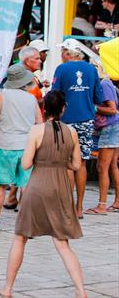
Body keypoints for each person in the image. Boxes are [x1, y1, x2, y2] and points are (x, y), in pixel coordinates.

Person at [0, 91, 85, 298]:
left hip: (37, 185)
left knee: (20, 237)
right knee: (62, 242)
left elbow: (26, 163)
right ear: (64, 109)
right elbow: (76, 164)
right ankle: (81, 290)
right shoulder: (71, 132)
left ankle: (7, 288)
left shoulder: (36, 131)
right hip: (61, 186)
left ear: (44, 109)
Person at [0, 65, 43, 233]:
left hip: (6, 145)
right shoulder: (31, 98)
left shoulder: (2, 96)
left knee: (1, 184)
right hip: (26, 146)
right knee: (25, 183)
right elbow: (39, 122)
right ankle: (25, 221)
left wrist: (0, 127)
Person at [51, 39, 102, 218]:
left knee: (66, 162)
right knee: (81, 163)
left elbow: (54, 95)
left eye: (62, 51)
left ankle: (66, 206)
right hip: (87, 119)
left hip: (67, 119)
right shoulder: (91, 69)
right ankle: (78, 208)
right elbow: (98, 97)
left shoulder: (62, 69)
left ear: (67, 53)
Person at [84, 71, 119, 215]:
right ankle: (117, 202)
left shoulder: (104, 84)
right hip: (113, 127)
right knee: (112, 166)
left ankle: (102, 206)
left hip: (109, 127)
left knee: (102, 167)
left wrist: (92, 107)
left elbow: (112, 109)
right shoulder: (107, 83)